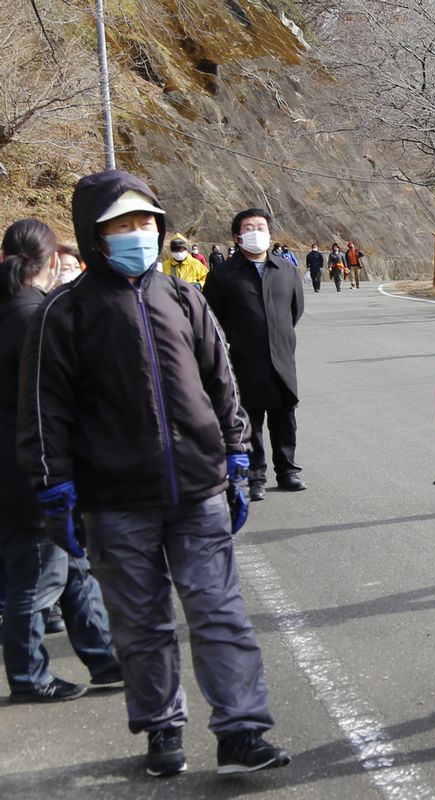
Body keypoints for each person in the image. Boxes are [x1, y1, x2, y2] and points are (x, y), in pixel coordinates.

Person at [16, 171, 289, 776]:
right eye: (121, 224)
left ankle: (241, 731)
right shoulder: (64, 312)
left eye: (145, 222)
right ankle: (162, 726)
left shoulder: (185, 297)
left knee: (220, 613)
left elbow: (223, 384)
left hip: (198, 488)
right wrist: (54, 485)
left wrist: (237, 455)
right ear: (93, 235)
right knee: (141, 624)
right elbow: (44, 409)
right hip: (114, 500)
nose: (138, 234)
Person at [2, 218, 121, 704]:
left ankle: (102, 657)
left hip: (13, 465)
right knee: (36, 578)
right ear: (54, 261)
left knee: (73, 565)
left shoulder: (10, 310)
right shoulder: (39, 317)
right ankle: (29, 678)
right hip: (34, 469)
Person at [205, 209, 306, 501]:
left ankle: (288, 471)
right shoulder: (223, 274)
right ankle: (256, 475)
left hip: (282, 357)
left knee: (284, 415)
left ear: (270, 233)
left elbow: (295, 310)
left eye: (261, 227)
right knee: (250, 419)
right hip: (242, 359)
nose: (255, 232)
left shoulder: (285, 270)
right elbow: (212, 317)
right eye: (248, 228)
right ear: (237, 237)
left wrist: (278, 336)